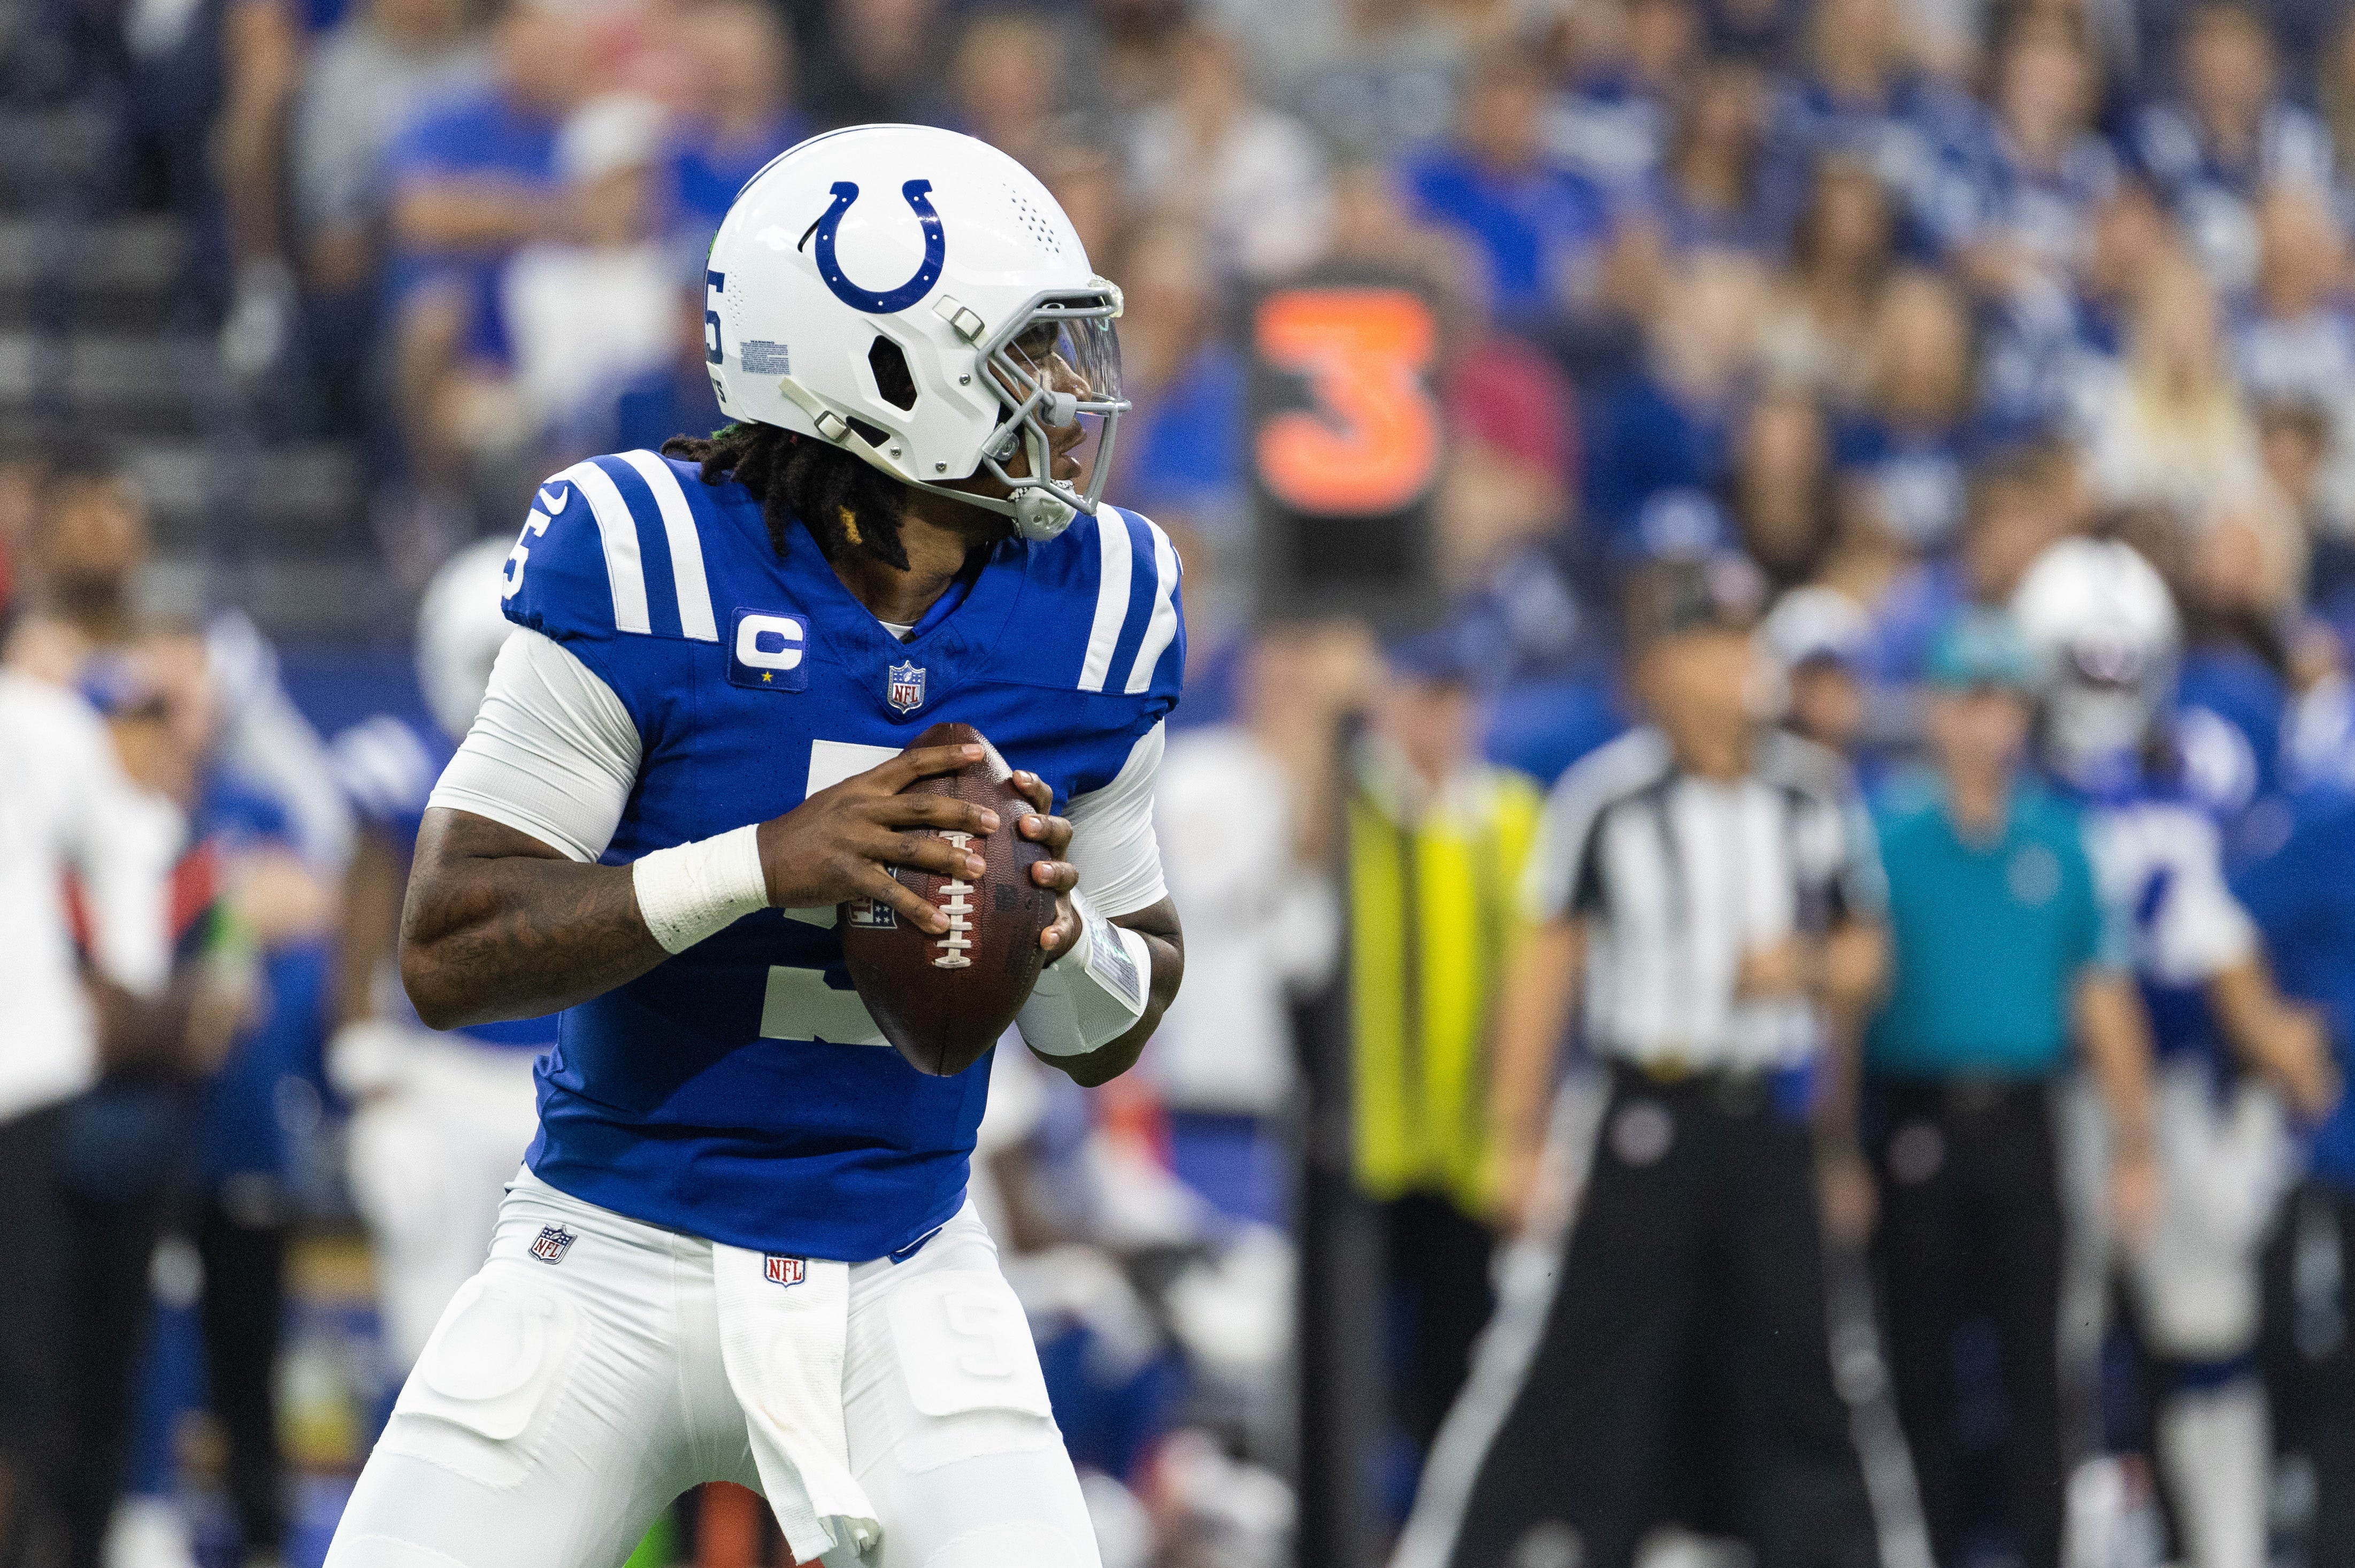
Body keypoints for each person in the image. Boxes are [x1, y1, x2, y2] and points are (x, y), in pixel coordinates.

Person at [322, 124, 1185, 1568]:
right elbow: (450, 947)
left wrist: (1059, 937)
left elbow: (1117, 1020)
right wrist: (768, 861)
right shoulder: (642, 547)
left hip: (908, 1259)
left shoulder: (1102, 601)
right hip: (609, 1244)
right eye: (1022, 355)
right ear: (884, 374)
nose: (1066, 395)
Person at [1396, 555, 1888, 1568]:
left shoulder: (1814, 796)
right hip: (1644, 1109)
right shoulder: (1606, 799)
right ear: (1658, 665)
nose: (1731, 668)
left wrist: (1802, 974)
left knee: (1812, 1365)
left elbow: (1867, 958)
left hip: (1767, 1117)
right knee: (1572, 1356)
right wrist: (1514, 1139)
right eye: (1707, 643)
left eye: (1743, 642)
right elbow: (1545, 969)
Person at [2012, 537, 2339, 1568]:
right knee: (2055, 1344)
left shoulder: (2197, 771)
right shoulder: (2008, 780)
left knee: (2208, 1330)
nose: (2106, 688)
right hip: (2051, 1094)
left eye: (2122, 663)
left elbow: (2225, 926)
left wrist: (2265, 1042)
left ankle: (2229, 1545)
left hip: (2184, 1087)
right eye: (2085, 664)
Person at [1864, 608, 2160, 1568]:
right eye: (1970, 698)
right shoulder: (1883, 835)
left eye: (2004, 701)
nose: (1988, 722)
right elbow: (1845, 1006)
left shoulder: (2061, 842)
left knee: (2039, 1362)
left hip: (2025, 1120)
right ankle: (1929, 1550)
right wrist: (1831, 1146)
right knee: (1917, 1359)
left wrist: (2134, 1143)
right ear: (1935, 708)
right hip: (1913, 1113)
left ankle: (2042, 1551)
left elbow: (2102, 999)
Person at [326, 537, 551, 1374]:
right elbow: (360, 932)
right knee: (427, 1340)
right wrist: (372, 1084)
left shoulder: (606, 770)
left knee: (554, 1340)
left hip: (558, 1076)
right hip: (439, 1075)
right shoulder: (404, 767)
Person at [1344, 631, 1542, 1465]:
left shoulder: (1512, 816)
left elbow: (1538, 989)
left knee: (1459, 1367)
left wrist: (1521, 1136)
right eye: (1423, 696)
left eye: (1454, 698)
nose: (1439, 719)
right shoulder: (1349, 802)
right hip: (1361, 1144)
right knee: (1348, 1370)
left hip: (1471, 1150)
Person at [0, 664, 181, 1566]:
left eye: (155, 719)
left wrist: (140, 1006)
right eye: (129, 718)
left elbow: (202, 1007)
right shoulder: (69, 834)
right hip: (63, 1120)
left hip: (125, 1140)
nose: (144, 738)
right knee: (42, 1373)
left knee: (90, 1376)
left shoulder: (177, 846)